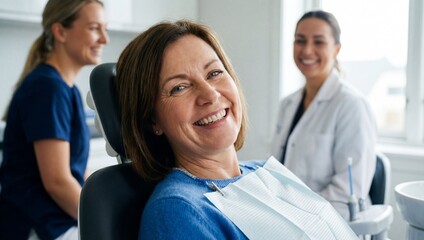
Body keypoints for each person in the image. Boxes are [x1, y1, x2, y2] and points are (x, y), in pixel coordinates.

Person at [115, 20, 359, 240]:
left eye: (214, 73)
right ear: (152, 121)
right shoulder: (177, 211)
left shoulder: (266, 172)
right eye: (179, 88)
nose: (210, 94)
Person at [0, 0, 109, 239]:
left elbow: (76, 170)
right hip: (37, 226)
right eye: (94, 28)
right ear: (60, 31)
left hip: (55, 221)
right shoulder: (47, 88)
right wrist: (102, 224)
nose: (104, 39)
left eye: (105, 29)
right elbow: (58, 181)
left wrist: (105, 204)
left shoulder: (64, 88)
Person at [270, 10, 377, 219]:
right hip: (286, 216)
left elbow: (347, 194)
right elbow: (275, 168)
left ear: (336, 49)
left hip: (329, 223)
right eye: (300, 41)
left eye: (318, 42)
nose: (307, 50)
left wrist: (294, 211)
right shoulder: (287, 104)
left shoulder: (352, 106)